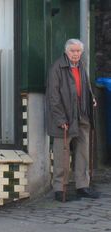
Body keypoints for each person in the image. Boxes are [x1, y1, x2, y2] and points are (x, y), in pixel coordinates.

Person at [45, 38, 100, 202]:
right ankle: (59, 189)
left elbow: (85, 87)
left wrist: (91, 99)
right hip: (65, 119)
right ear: (66, 51)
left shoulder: (82, 66)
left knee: (83, 152)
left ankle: (82, 186)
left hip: (82, 115)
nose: (76, 54)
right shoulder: (57, 68)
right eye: (73, 51)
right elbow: (53, 97)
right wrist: (61, 118)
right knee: (63, 154)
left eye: (78, 51)